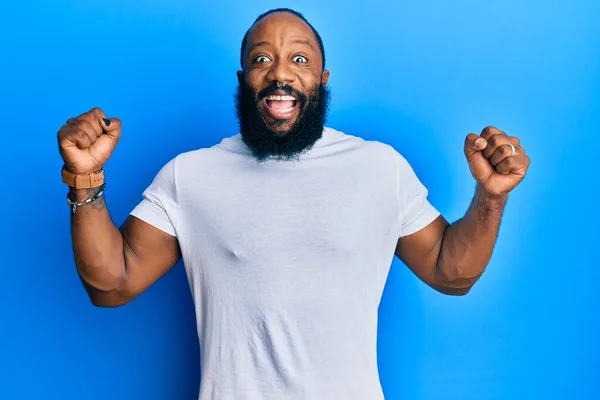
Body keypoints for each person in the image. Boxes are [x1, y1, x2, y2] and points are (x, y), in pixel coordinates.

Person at [56, 8, 531, 400]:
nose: (280, 73)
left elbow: (451, 273)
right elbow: (111, 285)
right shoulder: (190, 174)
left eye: (299, 60)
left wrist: (490, 198)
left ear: (322, 80)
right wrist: (83, 176)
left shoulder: (379, 168)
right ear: (244, 80)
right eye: (263, 59)